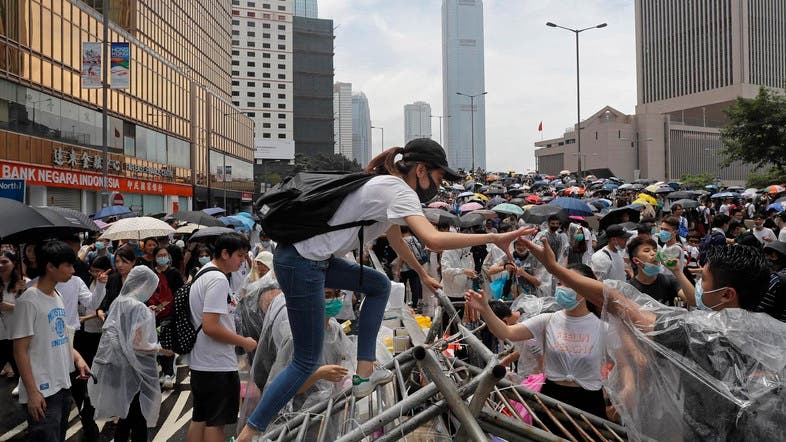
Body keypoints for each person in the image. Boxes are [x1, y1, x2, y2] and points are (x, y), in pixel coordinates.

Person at [237, 139, 527, 441]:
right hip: (302, 263)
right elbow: (433, 240)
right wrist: (494, 237)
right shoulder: (398, 190)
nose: (438, 187)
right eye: (439, 178)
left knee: (377, 284)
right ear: (421, 169)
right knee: (305, 360)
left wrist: (422, 275)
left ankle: (364, 372)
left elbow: (397, 240)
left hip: (309, 260)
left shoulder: (388, 188)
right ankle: (248, 434)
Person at [519, 232, 785, 440]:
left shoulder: (698, 333)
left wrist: (557, 269)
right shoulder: (774, 335)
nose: (698, 288)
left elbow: (616, 301)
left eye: (703, 280)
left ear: (727, 294)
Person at [465, 264, 613, 420]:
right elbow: (506, 332)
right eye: (561, 283)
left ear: (586, 288)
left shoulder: (603, 328)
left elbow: (624, 364)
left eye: (569, 284)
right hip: (551, 400)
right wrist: (485, 310)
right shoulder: (548, 320)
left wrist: (620, 398)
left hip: (589, 403)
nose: (562, 289)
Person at [248, 288, 354, 439]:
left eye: (337, 294)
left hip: (328, 413)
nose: (334, 300)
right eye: (327, 295)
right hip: (300, 419)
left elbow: (344, 361)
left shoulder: (335, 330)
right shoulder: (297, 338)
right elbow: (283, 390)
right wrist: (318, 374)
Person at [12, 241, 90, 441]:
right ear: (50, 266)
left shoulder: (57, 294)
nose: (73, 270)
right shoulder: (28, 301)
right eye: (68, 265)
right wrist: (32, 393)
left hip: (62, 384)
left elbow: (61, 335)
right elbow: (19, 351)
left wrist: (78, 359)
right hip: (42, 391)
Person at [89, 266, 175, 442]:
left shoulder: (119, 301)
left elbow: (120, 331)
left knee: (126, 414)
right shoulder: (138, 307)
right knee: (138, 417)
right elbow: (138, 345)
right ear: (144, 284)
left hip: (116, 366)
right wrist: (162, 349)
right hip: (134, 369)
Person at [186, 233, 257, 442]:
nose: (243, 260)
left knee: (200, 418)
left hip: (202, 362)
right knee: (215, 424)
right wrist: (244, 342)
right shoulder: (217, 279)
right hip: (216, 364)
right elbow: (210, 326)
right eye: (240, 255)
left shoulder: (204, 273)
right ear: (225, 253)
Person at [626, 237, 695, 307]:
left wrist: (677, 272)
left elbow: (693, 302)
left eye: (655, 250)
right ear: (636, 260)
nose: (653, 253)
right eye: (647, 251)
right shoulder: (629, 288)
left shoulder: (668, 280)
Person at [150, 246, 183, 390]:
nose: (163, 257)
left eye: (165, 255)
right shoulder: (151, 274)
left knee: (167, 341)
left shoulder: (174, 273)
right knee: (157, 343)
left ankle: (169, 372)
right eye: (160, 255)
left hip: (169, 313)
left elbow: (179, 292)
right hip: (153, 314)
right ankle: (164, 370)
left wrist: (169, 305)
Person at [0, 251, 26, 394]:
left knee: (19, 364)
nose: (1, 265)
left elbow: (29, 310)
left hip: (16, 334)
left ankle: (23, 384)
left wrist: (8, 307)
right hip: (1, 334)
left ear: (14, 263)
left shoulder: (23, 283)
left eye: (5, 262)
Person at [97, 247, 137, 321]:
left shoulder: (138, 279)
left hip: (133, 321)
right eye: (117, 261)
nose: (120, 265)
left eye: (124, 261)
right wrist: (100, 311)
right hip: (114, 322)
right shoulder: (112, 278)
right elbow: (106, 300)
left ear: (133, 262)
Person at [757, 240, 786, 322]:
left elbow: (759, 309)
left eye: (772, 256)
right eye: (766, 255)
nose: (767, 259)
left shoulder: (775, 280)